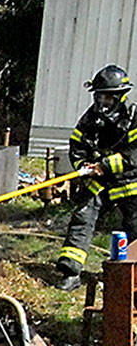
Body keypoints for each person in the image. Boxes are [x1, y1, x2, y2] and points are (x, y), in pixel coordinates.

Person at [55, 64, 137, 291]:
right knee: (82, 218)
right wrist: (83, 166)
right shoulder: (91, 117)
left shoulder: (133, 118)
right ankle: (70, 272)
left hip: (130, 183)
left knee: (135, 228)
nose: (102, 103)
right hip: (99, 182)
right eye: (99, 97)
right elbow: (77, 144)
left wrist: (105, 166)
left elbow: (134, 155)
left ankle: (130, 276)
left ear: (120, 97)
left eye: (108, 98)